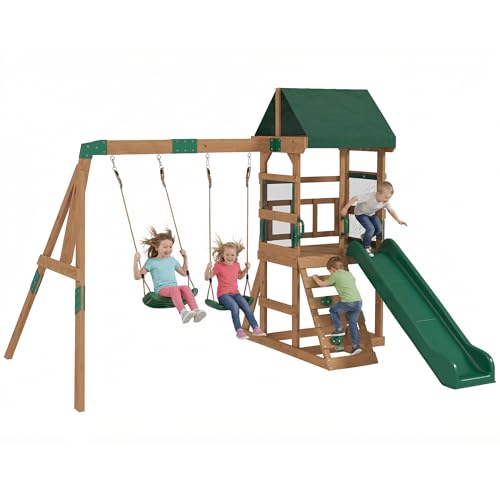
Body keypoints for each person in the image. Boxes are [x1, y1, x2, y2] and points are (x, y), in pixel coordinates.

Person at [133, 227, 206, 324]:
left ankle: (196, 311)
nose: (168, 249)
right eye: (165, 247)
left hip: (174, 289)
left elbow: (184, 273)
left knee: (185, 287)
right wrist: (135, 261)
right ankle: (183, 312)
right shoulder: (151, 262)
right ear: (156, 248)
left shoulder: (172, 260)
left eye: (170, 247)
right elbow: (137, 276)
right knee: (175, 289)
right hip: (161, 290)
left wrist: (185, 257)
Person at [205, 237, 265, 340]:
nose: (230, 257)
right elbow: (207, 277)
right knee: (235, 306)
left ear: (236, 255)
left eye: (232, 255)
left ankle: (256, 328)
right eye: (227, 254)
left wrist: (246, 269)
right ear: (223, 255)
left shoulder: (236, 265)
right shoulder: (219, 266)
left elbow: (240, 277)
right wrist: (207, 268)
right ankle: (239, 330)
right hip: (223, 295)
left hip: (236, 293)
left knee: (246, 306)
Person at [312, 256, 363, 355]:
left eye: (330, 271)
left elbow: (321, 284)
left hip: (348, 302)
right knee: (353, 324)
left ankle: (339, 328)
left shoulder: (335, 275)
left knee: (333, 310)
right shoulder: (348, 274)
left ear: (333, 269)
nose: (330, 274)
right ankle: (356, 346)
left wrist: (315, 277)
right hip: (358, 302)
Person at [340, 181, 407, 256]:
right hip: (361, 214)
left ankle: (364, 237)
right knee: (371, 229)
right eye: (385, 197)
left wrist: (398, 220)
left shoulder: (385, 202)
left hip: (371, 214)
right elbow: (354, 198)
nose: (387, 200)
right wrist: (345, 208)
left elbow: (390, 210)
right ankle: (366, 247)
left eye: (389, 198)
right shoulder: (369, 196)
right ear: (378, 193)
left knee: (379, 229)